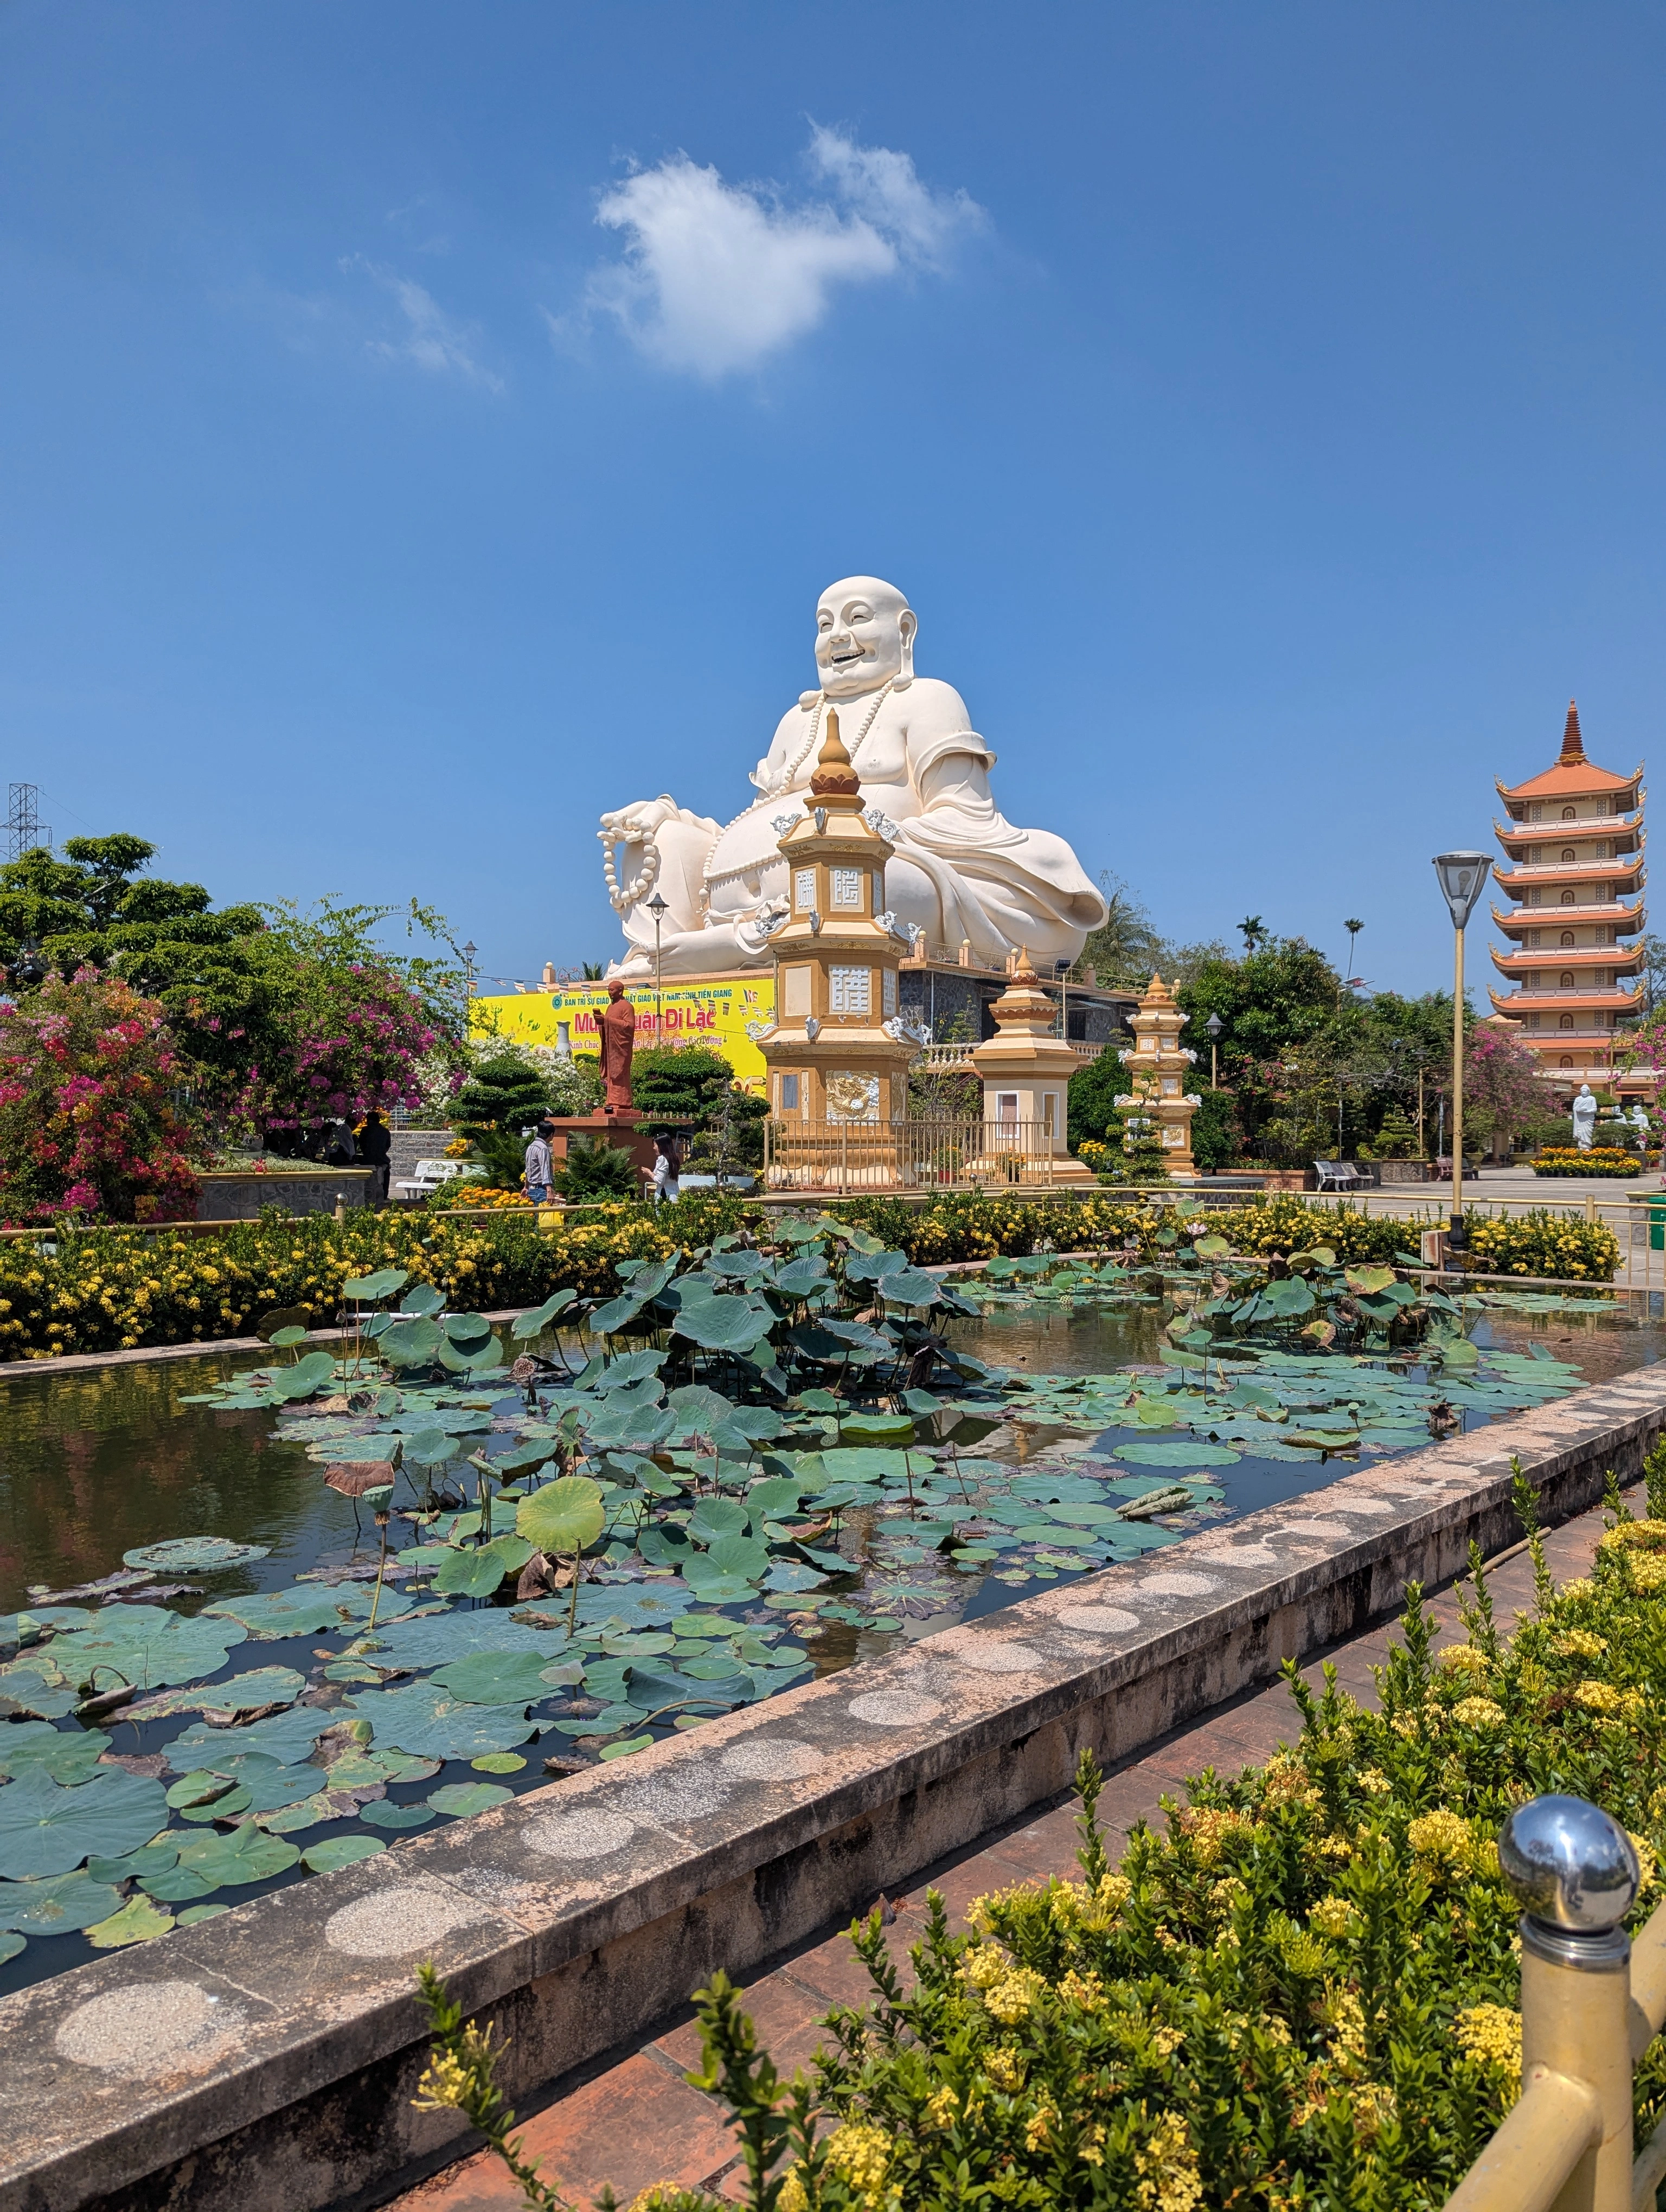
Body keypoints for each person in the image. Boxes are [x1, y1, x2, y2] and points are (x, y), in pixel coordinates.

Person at [357, 1111, 392, 1204]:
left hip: (367, 1160)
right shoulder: (385, 1131)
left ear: (368, 1120)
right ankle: (384, 1197)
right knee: (386, 1174)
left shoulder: (365, 1130)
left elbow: (362, 1145)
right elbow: (387, 1146)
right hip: (382, 1160)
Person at [524, 1120, 556, 1204]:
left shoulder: (531, 1147)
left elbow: (528, 1169)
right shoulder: (543, 1148)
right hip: (541, 1190)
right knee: (543, 1212)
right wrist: (549, 1190)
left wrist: (526, 1187)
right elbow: (545, 1170)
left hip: (532, 1189)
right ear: (551, 1135)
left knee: (536, 1212)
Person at [651, 1133, 681, 1205]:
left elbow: (660, 1181)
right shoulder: (674, 1159)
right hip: (674, 1194)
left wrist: (650, 1173)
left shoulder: (662, 1159)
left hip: (664, 1195)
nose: (654, 1148)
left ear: (662, 1146)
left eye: (655, 1145)